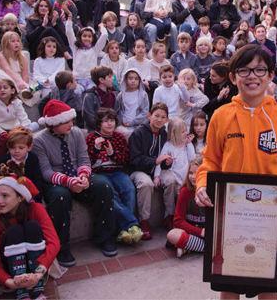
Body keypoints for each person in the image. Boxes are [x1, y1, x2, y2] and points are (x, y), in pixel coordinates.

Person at [195, 44, 277, 298]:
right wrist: (202, 184)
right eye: (244, 70)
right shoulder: (221, 116)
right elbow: (209, 161)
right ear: (233, 77)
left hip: (269, 220)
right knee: (228, 288)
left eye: (259, 70)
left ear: (270, 75)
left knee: (268, 289)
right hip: (230, 219)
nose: (252, 76)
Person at [33, 99, 117, 267]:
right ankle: (61, 246)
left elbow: (84, 160)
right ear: (53, 123)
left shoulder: (77, 133)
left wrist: (84, 176)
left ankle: (104, 236)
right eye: (66, 121)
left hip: (77, 175)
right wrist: (68, 181)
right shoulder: (39, 140)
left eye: (71, 120)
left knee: (103, 186)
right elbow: (46, 172)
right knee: (60, 196)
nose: (71, 124)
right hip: (56, 180)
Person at [0, 170, 59, 300]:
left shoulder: (36, 209)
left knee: (32, 226)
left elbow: (54, 242)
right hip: (10, 270)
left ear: (20, 197)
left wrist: (38, 274)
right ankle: (21, 292)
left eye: (5, 196)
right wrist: (11, 283)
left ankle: (37, 288)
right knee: (14, 231)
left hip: (36, 267)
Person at [86, 108, 142, 245]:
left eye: (111, 121)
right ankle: (132, 225)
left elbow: (125, 160)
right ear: (99, 123)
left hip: (117, 171)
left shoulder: (119, 137)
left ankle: (122, 231)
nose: (109, 124)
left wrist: (112, 153)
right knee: (111, 193)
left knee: (129, 188)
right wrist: (96, 149)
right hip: (99, 173)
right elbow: (86, 161)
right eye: (105, 121)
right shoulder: (91, 137)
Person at [128, 102, 170, 240]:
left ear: (167, 120)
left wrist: (166, 163)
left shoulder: (164, 134)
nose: (159, 119)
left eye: (163, 117)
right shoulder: (138, 133)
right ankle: (144, 221)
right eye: (156, 116)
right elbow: (134, 159)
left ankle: (169, 216)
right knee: (146, 184)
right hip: (138, 170)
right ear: (149, 116)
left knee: (172, 180)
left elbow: (163, 160)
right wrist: (155, 161)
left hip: (156, 170)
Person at [166, 156, 206, 258]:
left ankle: (188, 246)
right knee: (172, 235)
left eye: (197, 173)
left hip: (207, 233)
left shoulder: (211, 192)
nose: (192, 176)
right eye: (190, 173)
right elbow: (178, 221)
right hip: (190, 231)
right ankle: (207, 248)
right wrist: (200, 232)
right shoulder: (185, 191)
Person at [65, 19, 108, 91]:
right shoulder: (76, 48)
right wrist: (69, 21)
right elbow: (69, 33)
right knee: (77, 92)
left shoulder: (95, 49)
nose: (87, 38)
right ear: (80, 37)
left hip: (89, 79)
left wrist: (102, 27)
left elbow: (104, 35)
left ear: (93, 38)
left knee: (92, 92)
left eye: (89, 36)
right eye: (84, 36)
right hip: (76, 79)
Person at [115, 68, 149, 137]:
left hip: (138, 125)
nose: (133, 81)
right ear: (126, 80)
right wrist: (121, 122)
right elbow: (117, 111)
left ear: (139, 81)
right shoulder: (121, 95)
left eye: (136, 79)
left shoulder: (143, 95)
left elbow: (145, 111)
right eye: (130, 78)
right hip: (123, 124)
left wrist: (133, 122)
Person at [82, 66, 115, 130]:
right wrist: (102, 128)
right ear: (101, 80)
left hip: (111, 128)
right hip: (95, 130)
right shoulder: (90, 96)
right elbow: (89, 118)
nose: (113, 78)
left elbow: (115, 114)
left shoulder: (112, 95)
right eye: (110, 77)